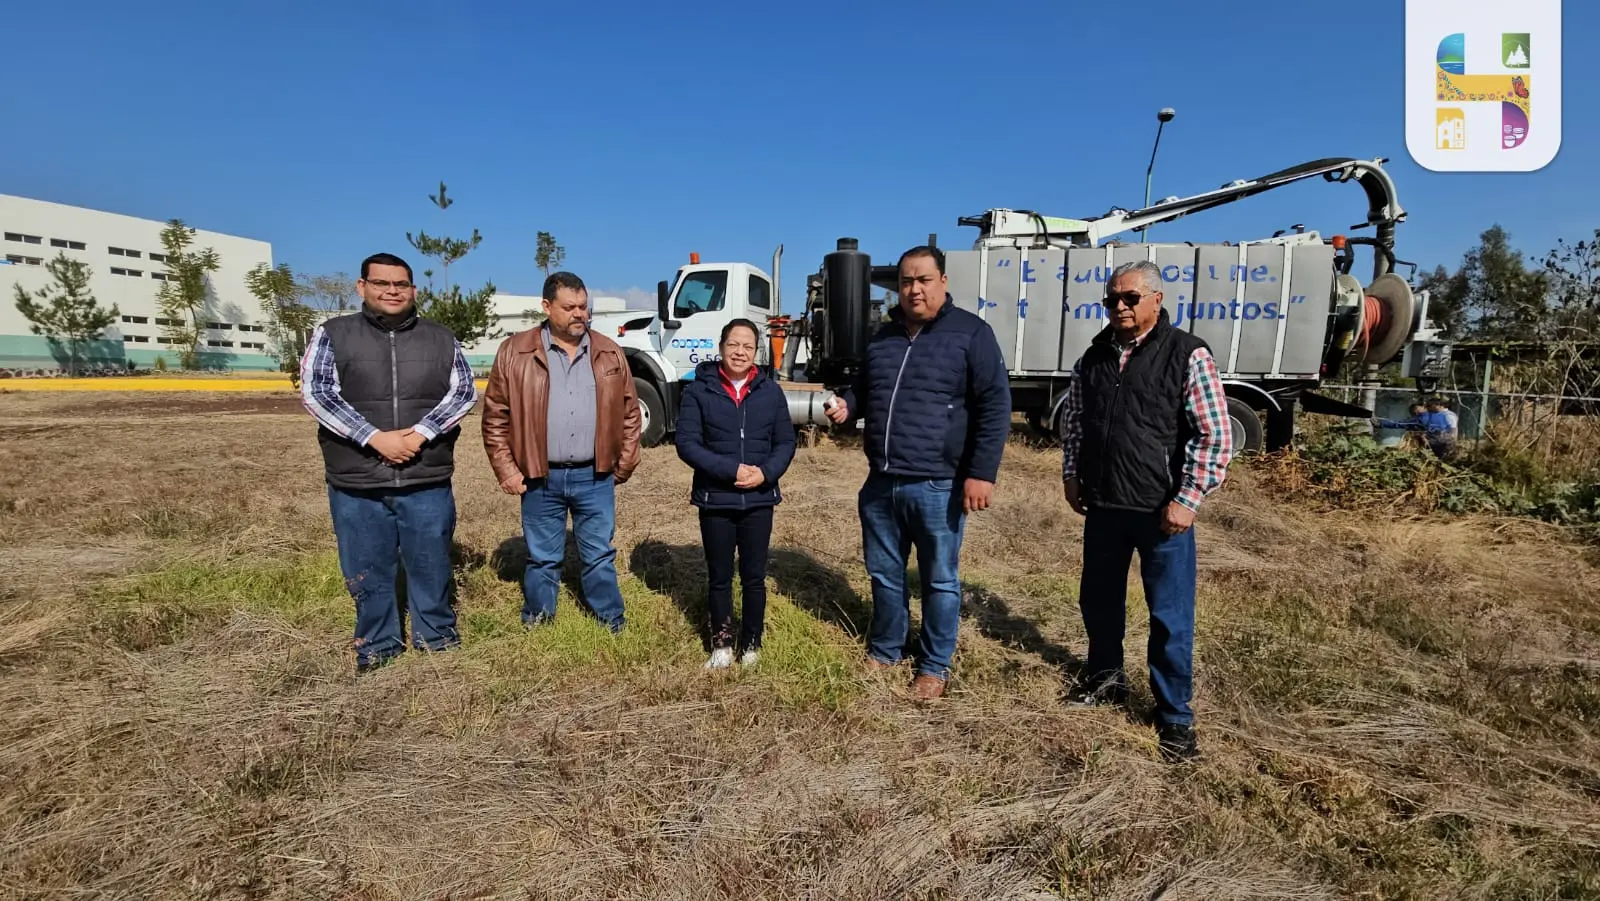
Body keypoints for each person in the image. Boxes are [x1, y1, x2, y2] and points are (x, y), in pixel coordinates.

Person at [1059, 259, 1234, 762]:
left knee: (1170, 618)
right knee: (1099, 603)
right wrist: (1072, 476)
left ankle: (1174, 717)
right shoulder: (1093, 358)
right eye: (1112, 298)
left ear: (1157, 299)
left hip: (1162, 514)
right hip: (1105, 506)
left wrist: (1188, 498)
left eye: (1130, 298)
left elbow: (1214, 435)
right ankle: (1106, 679)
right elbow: (1076, 425)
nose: (1119, 306)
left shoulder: (1187, 354)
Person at [824, 245, 1012, 700]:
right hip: (881, 481)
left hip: (938, 484)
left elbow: (995, 406)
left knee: (939, 579)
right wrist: (849, 403)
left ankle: (933, 665)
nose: (914, 289)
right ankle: (888, 648)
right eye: (906, 281)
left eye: (923, 280)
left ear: (943, 282)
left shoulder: (972, 333)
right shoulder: (883, 337)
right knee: (885, 573)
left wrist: (981, 473)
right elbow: (867, 389)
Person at [299, 251, 479, 674]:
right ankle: (378, 646)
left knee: (431, 562)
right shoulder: (333, 334)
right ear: (362, 287)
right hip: (357, 481)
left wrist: (420, 434)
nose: (392, 291)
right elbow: (317, 392)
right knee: (367, 568)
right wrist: (374, 438)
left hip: (425, 476)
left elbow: (464, 392)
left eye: (401, 284)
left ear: (413, 290)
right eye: (382, 283)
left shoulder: (440, 337)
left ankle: (436, 637)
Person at [481, 271, 641, 633]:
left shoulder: (608, 351)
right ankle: (539, 621)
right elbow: (495, 416)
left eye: (583, 306)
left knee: (599, 554)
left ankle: (610, 621)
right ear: (546, 307)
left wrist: (627, 459)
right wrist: (507, 469)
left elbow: (630, 412)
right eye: (569, 307)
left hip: (595, 474)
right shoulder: (516, 351)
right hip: (540, 475)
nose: (579, 314)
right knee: (541, 557)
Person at [674, 318, 797, 668]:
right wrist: (731, 470)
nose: (740, 352)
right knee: (720, 575)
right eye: (733, 344)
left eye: (747, 346)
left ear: (756, 352)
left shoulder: (770, 391)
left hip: (759, 499)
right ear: (721, 346)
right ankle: (722, 645)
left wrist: (765, 473)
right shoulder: (699, 390)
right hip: (716, 498)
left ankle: (752, 643)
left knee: (755, 576)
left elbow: (786, 441)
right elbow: (687, 443)